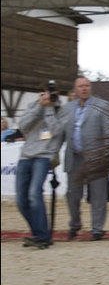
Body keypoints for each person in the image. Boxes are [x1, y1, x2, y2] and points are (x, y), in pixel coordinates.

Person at [63, 76, 109, 241]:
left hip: (96, 157)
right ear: (75, 89)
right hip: (74, 157)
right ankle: (75, 224)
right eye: (80, 86)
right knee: (72, 195)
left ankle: (97, 229)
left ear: (90, 88)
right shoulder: (67, 108)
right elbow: (60, 132)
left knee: (98, 195)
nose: (84, 89)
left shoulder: (102, 106)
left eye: (87, 86)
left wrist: (106, 155)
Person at [15, 84, 66, 249]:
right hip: (25, 156)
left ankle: (42, 236)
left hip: (43, 157)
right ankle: (39, 233)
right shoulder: (33, 106)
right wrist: (39, 107)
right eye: (44, 92)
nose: (47, 95)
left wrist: (49, 109)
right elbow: (23, 126)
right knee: (21, 200)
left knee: (34, 194)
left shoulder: (60, 110)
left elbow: (57, 131)